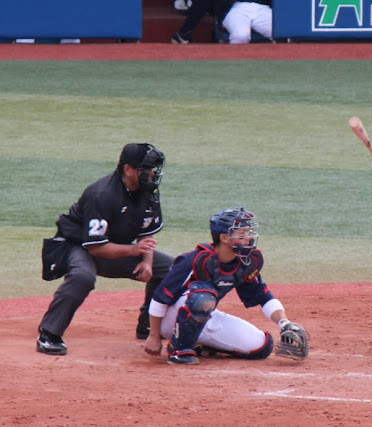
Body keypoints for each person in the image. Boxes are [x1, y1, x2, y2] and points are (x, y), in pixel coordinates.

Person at [36, 143, 175, 355]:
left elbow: (146, 232)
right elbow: (96, 248)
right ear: (128, 169)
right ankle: (49, 334)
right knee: (83, 276)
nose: (151, 174)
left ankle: (148, 324)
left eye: (153, 169)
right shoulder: (101, 194)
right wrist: (133, 251)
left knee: (170, 267)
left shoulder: (148, 191)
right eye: (145, 169)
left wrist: (147, 262)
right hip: (77, 246)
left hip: (113, 248)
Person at [144, 207, 308, 364]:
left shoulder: (244, 262)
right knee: (203, 297)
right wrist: (154, 336)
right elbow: (160, 298)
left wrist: (284, 323)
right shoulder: (195, 260)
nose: (248, 238)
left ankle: (200, 343)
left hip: (204, 316)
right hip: (171, 320)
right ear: (224, 238)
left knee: (261, 346)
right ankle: (179, 350)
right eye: (242, 234)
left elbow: (264, 297)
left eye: (248, 232)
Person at [171, 0, 272, 44]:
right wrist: (186, 30)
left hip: (262, 7)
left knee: (278, 32)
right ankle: (236, 65)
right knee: (241, 35)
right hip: (234, 9)